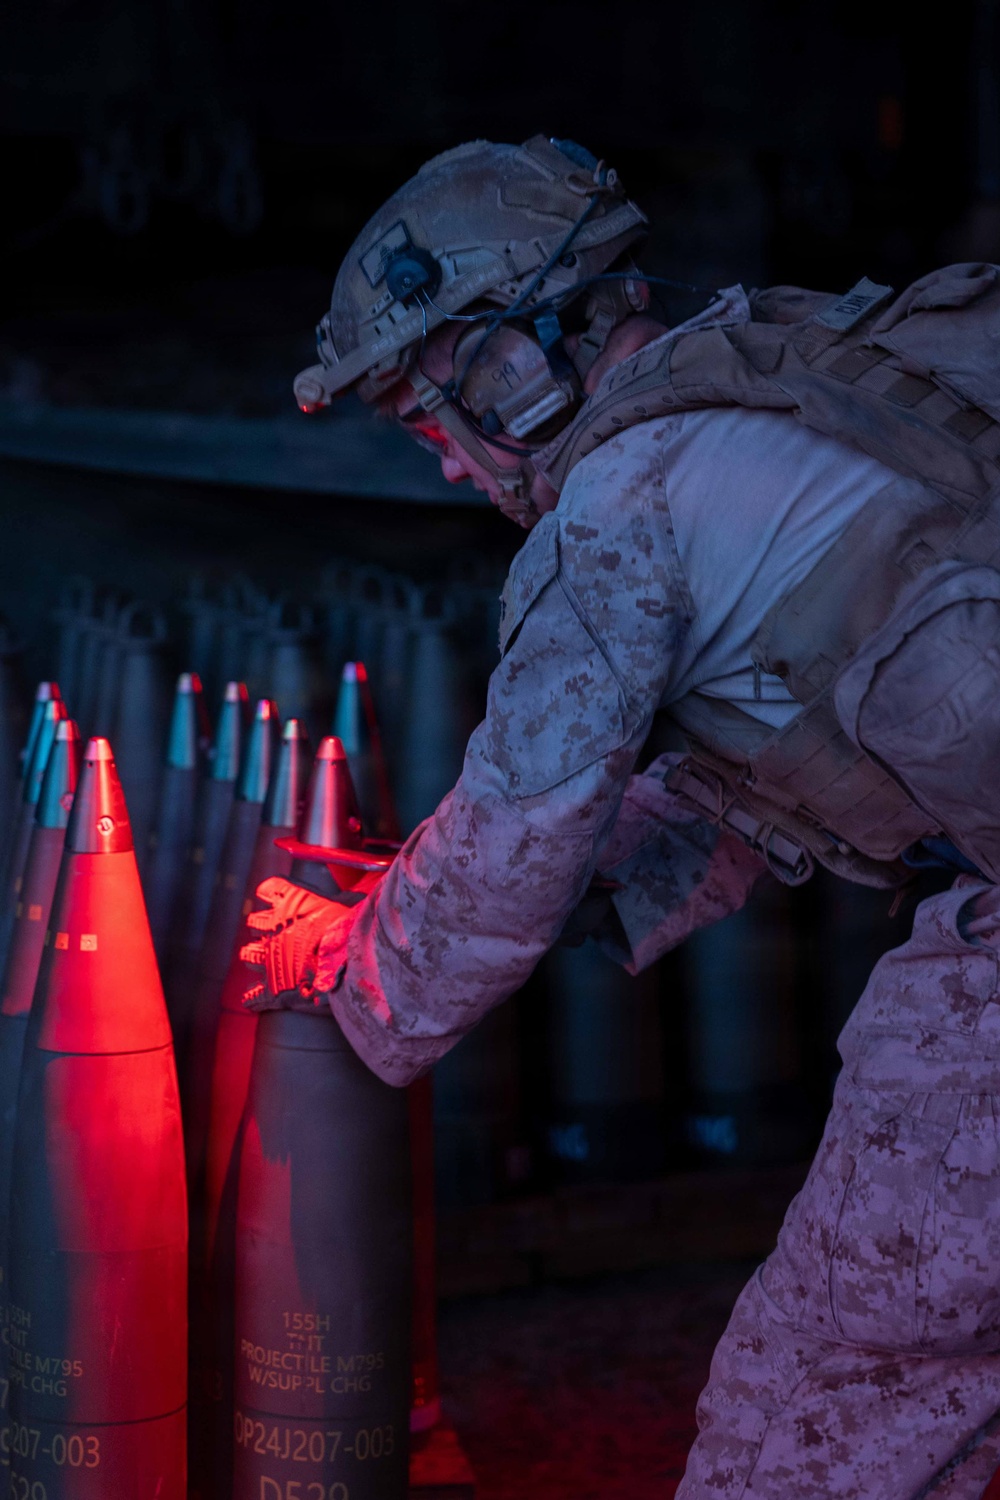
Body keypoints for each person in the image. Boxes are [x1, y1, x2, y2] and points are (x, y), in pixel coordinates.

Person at [243, 135, 1000, 1496]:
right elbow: (747, 787)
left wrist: (352, 975)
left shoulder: (615, 511)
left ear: (510, 362)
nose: (447, 471)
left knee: (826, 1395)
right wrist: (572, 895)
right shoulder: (783, 389)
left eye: (434, 421)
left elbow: (507, 850)